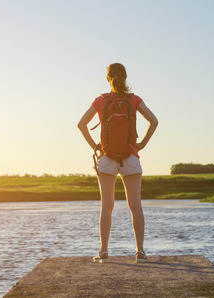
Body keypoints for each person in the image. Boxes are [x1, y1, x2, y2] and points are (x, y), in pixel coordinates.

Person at [77, 63, 158, 263]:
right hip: (131, 157)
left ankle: (104, 251)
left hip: (107, 158)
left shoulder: (101, 100)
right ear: (126, 78)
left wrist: (95, 147)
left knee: (107, 206)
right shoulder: (134, 100)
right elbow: (154, 121)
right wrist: (142, 144)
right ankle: (140, 251)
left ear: (108, 79)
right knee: (135, 205)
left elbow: (81, 124)